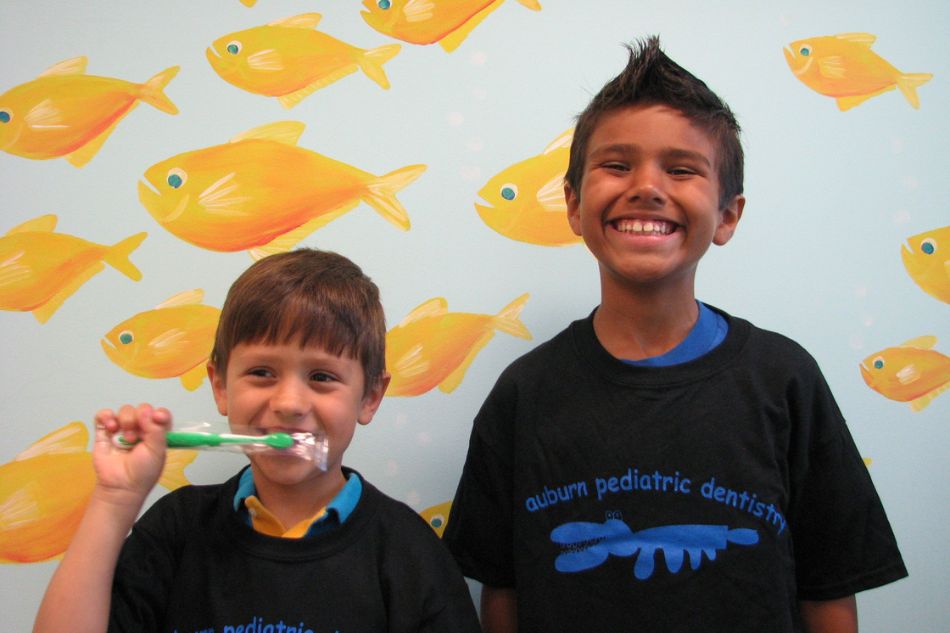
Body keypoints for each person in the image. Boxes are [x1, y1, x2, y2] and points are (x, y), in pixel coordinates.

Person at [443, 36, 907, 633]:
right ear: (573, 205)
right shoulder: (524, 392)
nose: (646, 186)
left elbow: (830, 585)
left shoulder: (785, 379)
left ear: (728, 215)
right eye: (617, 165)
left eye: (682, 169)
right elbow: (501, 586)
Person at [34, 248, 480, 633]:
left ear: (370, 397)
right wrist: (114, 500)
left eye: (322, 377)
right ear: (220, 386)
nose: (289, 403)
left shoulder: (410, 553)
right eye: (262, 372)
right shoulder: (176, 531)